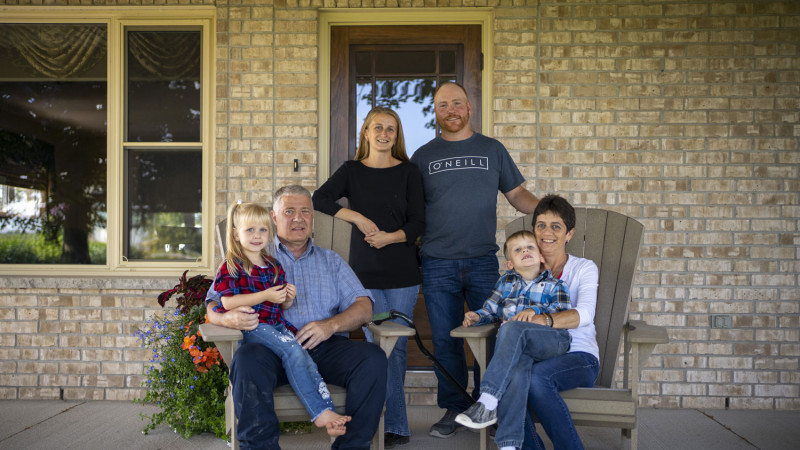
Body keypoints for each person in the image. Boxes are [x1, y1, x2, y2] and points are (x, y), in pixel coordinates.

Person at [206, 185, 388, 450]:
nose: (298, 218)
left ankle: (351, 446)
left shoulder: (332, 261)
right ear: (274, 217)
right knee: (246, 360)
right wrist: (226, 320)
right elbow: (213, 304)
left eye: (305, 211)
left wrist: (330, 325)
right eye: (289, 211)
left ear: (313, 218)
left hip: (325, 345)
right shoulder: (252, 257)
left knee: (372, 359)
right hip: (272, 346)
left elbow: (364, 307)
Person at [409, 81, 541, 438]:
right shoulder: (422, 156)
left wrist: (548, 215)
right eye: (442, 105)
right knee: (445, 339)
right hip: (437, 261)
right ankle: (454, 408)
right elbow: (409, 209)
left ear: (469, 108)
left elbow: (517, 194)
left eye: (457, 103)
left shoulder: (492, 149)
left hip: (483, 261)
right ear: (435, 113)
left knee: (493, 336)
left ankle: (490, 405)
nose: (450, 110)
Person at [313, 106, 424, 448]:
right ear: (366, 132)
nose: (384, 134)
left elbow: (419, 223)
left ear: (396, 135)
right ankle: (369, 424)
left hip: (402, 274)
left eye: (390, 129)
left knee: (398, 348)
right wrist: (358, 218)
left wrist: (390, 237)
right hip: (363, 276)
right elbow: (320, 198)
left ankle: (396, 427)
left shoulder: (409, 172)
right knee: (376, 348)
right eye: (378, 127)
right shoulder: (351, 171)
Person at [212, 201, 350, 437]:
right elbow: (226, 303)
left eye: (263, 230)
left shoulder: (272, 265)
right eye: (250, 230)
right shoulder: (232, 266)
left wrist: (286, 298)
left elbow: (280, 305)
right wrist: (265, 294)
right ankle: (320, 414)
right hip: (253, 325)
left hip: (275, 325)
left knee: (304, 356)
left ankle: (325, 410)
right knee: (293, 351)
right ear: (236, 234)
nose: (257, 236)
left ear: (270, 232)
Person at [495, 194, 600, 450]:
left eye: (556, 226)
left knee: (534, 379)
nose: (547, 232)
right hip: (534, 353)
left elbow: (584, 314)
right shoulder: (519, 272)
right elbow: (502, 308)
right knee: (511, 376)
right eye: (541, 225)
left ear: (569, 234)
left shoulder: (584, 268)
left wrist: (540, 320)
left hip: (579, 356)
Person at [453, 230, 572, 430]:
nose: (525, 250)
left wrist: (534, 310)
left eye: (530, 247)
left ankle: (487, 401)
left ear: (541, 257)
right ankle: (509, 443)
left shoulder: (555, 285)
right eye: (518, 249)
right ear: (510, 264)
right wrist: (478, 316)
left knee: (512, 328)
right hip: (518, 350)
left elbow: (562, 313)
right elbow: (491, 310)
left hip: (550, 342)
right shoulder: (505, 283)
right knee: (516, 375)